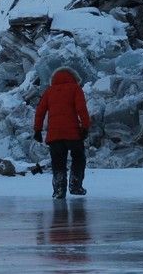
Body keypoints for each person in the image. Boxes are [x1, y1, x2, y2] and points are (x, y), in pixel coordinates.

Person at [34, 67, 91, 199]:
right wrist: (85, 127)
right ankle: (75, 185)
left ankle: (59, 189)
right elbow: (81, 109)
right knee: (79, 157)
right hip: (73, 134)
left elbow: (40, 111)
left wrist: (37, 130)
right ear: (74, 77)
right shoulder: (75, 89)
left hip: (54, 136)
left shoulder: (49, 91)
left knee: (58, 161)